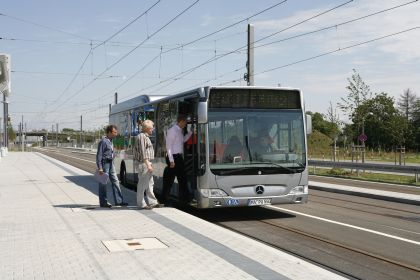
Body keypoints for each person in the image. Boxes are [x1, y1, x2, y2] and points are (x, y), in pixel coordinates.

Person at [162, 114, 192, 205]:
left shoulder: (179, 131)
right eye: (185, 122)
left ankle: (185, 198)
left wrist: (190, 133)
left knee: (182, 178)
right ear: (181, 121)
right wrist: (171, 160)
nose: (186, 124)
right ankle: (165, 200)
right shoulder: (172, 131)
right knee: (169, 180)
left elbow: (183, 140)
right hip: (173, 157)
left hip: (178, 157)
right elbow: (169, 146)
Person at [96, 125, 128, 208]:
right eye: (114, 132)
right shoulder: (103, 141)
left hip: (111, 163)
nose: (116, 134)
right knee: (103, 183)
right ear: (109, 132)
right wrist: (100, 167)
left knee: (116, 181)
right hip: (104, 163)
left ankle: (119, 201)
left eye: (116, 132)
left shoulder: (112, 141)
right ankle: (103, 203)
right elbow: (99, 155)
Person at [133, 120, 161, 209]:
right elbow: (143, 152)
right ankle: (141, 203)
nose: (152, 130)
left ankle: (152, 202)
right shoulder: (142, 137)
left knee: (149, 183)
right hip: (143, 163)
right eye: (151, 128)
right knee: (142, 184)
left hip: (146, 162)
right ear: (147, 128)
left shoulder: (145, 136)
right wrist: (148, 164)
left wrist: (149, 163)